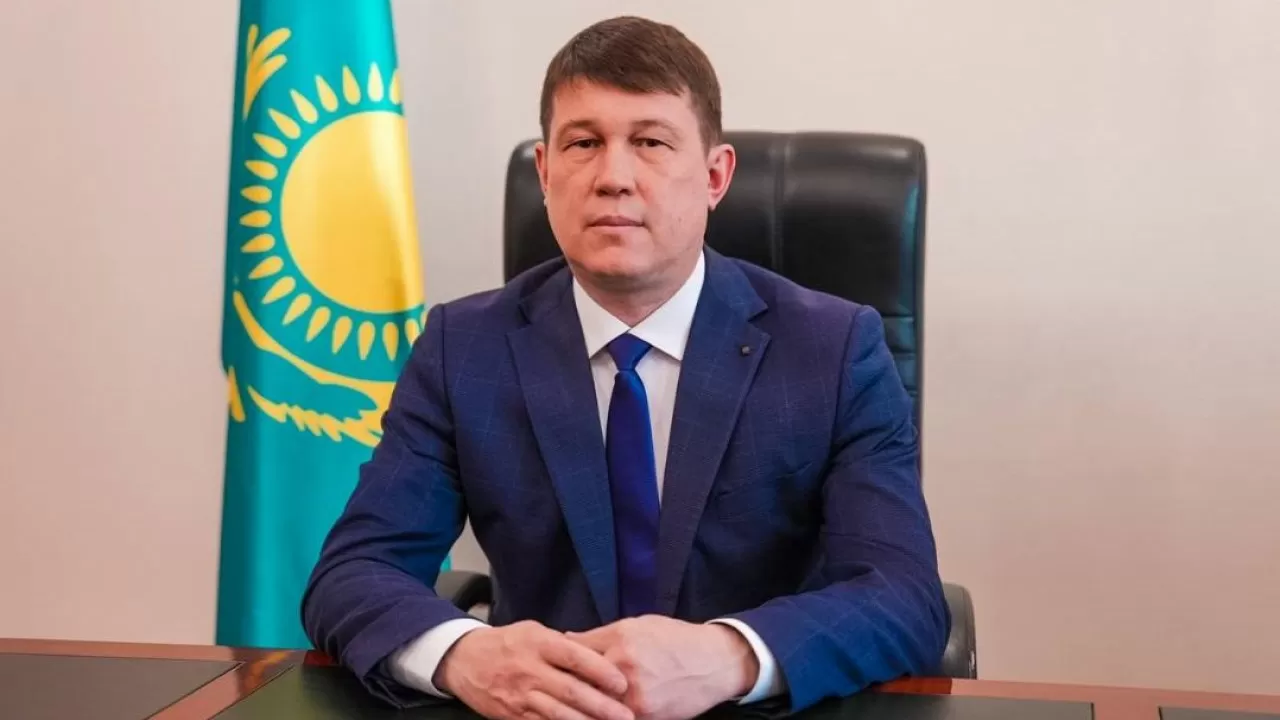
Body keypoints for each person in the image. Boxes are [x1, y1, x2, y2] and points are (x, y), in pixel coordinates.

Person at [301, 14, 949, 720]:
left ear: (715, 176)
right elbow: (353, 573)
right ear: (545, 173)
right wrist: (464, 654)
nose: (613, 177)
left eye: (650, 142)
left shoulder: (833, 349)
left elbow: (903, 597)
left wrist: (728, 656)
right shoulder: (463, 347)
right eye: (583, 143)